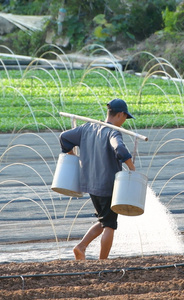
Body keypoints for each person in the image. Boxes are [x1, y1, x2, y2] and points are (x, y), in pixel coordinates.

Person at [59, 98, 136, 260]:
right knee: (110, 225)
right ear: (120, 114)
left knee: (103, 221)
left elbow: (64, 137)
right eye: (125, 118)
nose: (124, 121)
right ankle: (103, 262)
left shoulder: (87, 127)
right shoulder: (112, 131)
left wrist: (71, 154)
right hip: (108, 186)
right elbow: (120, 149)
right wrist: (132, 167)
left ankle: (81, 247)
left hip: (90, 184)